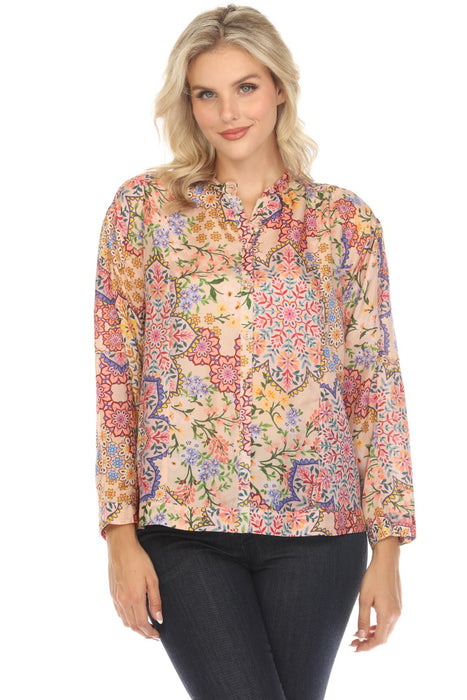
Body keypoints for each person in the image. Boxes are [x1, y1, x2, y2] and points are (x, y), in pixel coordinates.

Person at [94, 5, 416, 699]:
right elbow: (116, 373)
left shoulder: (343, 221)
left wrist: (388, 548)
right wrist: (118, 533)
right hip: (183, 527)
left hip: (319, 530)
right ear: (187, 103)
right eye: (205, 94)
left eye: (245, 87)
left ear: (278, 88)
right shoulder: (144, 211)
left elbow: (373, 383)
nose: (228, 112)